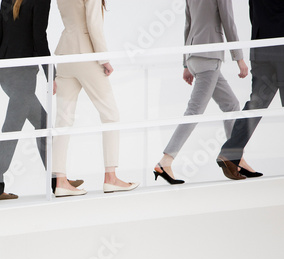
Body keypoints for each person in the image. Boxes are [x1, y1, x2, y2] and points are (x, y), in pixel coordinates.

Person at [0, 0, 82, 200]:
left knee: (42, 123)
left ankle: (57, 179)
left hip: (7, 71)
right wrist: (50, 75)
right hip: (22, 74)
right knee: (12, 128)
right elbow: (39, 37)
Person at [154, 0, 254, 185]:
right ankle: (165, 161)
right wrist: (239, 58)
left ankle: (235, 156)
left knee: (231, 104)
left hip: (195, 54)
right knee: (194, 111)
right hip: (210, 56)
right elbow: (229, 22)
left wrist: (186, 63)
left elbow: (187, 26)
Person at [52, 0, 138, 197]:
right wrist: (104, 59)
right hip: (86, 54)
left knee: (63, 120)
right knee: (110, 114)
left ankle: (61, 181)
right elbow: (93, 25)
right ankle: (111, 178)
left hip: (65, 54)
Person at [217, 0, 284, 180]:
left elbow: (253, 12)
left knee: (257, 104)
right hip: (281, 44)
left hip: (261, 48)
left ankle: (230, 153)